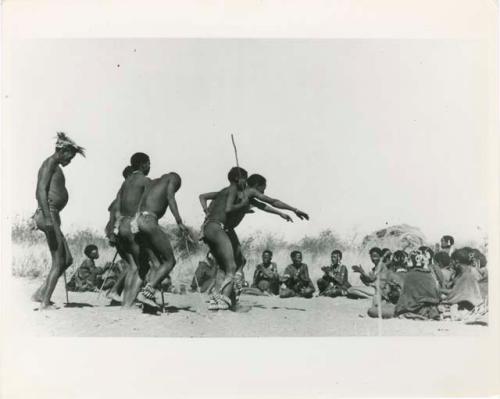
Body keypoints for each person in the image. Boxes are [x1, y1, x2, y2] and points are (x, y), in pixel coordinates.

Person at [199, 169, 308, 310]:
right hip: (219, 229)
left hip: (214, 229)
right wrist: (294, 209)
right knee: (232, 267)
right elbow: (271, 201)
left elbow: (264, 206)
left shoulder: (232, 193)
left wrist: (281, 213)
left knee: (235, 263)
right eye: (262, 190)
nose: (262, 194)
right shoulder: (248, 192)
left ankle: (219, 298)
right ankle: (224, 300)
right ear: (256, 186)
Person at [31, 132, 85, 310]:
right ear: (63, 151)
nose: (71, 160)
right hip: (49, 214)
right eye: (71, 156)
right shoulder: (49, 164)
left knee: (67, 259)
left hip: (53, 215)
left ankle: (41, 293)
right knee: (58, 261)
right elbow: (40, 191)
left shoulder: (54, 165)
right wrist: (46, 217)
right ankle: (45, 303)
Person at [132, 172, 188, 309]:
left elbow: (140, 204)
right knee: (170, 261)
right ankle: (146, 293)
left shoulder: (152, 183)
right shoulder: (173, 178)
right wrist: (179, 222)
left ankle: (148, 300)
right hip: (149, 220)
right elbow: (170, 198)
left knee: (156, 263)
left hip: (138, 221)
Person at [112, 152, 152, 307]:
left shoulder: (126, 182)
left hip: (121, 224)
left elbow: (117, 206)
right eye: (149, 163)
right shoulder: (146, 181)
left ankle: (125, 303)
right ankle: (128, 303)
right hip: (133, 226)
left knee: (132, 266)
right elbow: (148, 205)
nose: (149, 166)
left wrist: (117, 224)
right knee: (142, 266)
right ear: (143, 164)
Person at [105, 165, 133, 303]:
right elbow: (113, 214)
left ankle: (116, 292)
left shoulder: (124, 194)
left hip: (118, 232)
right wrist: (112, 233)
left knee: (131, 264)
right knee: (133, 265)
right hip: (118, 232)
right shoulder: (123, 195)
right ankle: (116, 291)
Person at [394, 250, 441, 320]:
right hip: (432, 307)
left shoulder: (409, 275)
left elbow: (404, 299)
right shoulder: (430, 274)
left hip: (415, 309)